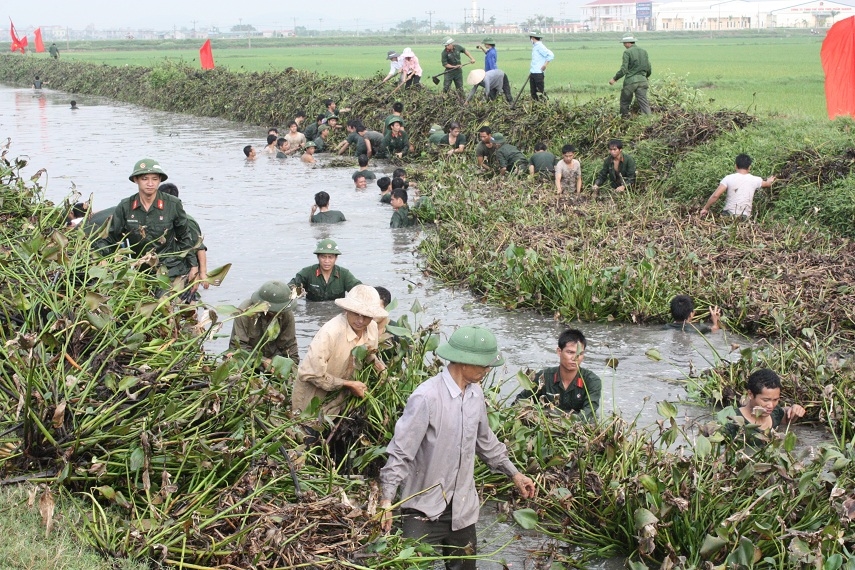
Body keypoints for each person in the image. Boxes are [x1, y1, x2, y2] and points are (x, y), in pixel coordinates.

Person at [378, 326, 537, 570]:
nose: (487, 370)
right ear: (463, 362)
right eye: (483, 365)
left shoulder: (475, 395)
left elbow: (486, 442)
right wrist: (387, 500)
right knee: (410, 566)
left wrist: (514, 474)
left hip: (462, 509)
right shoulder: (426, 397)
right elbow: (401, 452)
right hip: (422, 508)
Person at [93, 158, 197, 284]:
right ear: (136, 180)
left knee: (165, 296)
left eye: (155, 179)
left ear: (160, 180)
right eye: (145, 179)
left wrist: (194, 266)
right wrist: (101, 258)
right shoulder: (126, 206)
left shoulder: (173, 204)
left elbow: (185, 237)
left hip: (169, 268)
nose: (150, 183)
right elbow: (109, 237)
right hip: (137, 269)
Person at [292, 285, 387, 417]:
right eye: (356, 314)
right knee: (309, 427)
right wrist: (348, 384)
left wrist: (378, 366)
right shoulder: (330, 332)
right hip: (312, 403)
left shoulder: (372, 327)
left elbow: (368, 353)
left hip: (343, 400)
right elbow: (310, 374)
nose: (360, 321)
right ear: (347, 310)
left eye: (366, 316)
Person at [515, 329, 601, 419]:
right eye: (570, 352)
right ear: (559, 351)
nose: (575, 358)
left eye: (580, 353)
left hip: (578, 425)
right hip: (547, 422)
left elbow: (589, 413)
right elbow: (519, 402)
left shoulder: (592, 381)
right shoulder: (543, 377)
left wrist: (568, 424)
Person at [229, 280, 300, 366]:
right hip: (248, 359)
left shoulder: (287, 314)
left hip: (274, 359)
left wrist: (289, 366)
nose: (278, 313)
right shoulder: (245, 312)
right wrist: (264, 361)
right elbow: (238, 347)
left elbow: (290, 347)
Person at [724, 368, 805, 441]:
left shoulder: (775, 413)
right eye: (766, 400)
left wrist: (794, 409)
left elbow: (785, 415)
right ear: (750, 394)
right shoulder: (731, 420)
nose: (771, 406)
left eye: (775, 400)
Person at [159, 182, 208, 295]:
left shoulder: (186, 221)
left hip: (183, 270)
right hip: (163, 269)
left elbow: (199, 248)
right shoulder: (158, 218)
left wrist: (202, 273)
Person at [700, 154, 776, 219]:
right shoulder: (756, 180)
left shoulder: (728, 178)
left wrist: (705, 208)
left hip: (727, 215)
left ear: (736, 166)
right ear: (749, 167)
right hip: (744, 217)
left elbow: (715, 196)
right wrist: (770, 180)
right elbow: (768, 184)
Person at [288, 238, 361, 302]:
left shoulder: (344, 274)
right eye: (323, 257)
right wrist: (297, 292)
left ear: (336, 258)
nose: (327, 261)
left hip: (337, 311)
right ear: (318, 257)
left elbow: (360, 289)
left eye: (330, 257)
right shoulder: (307, 273)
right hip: (312, 311)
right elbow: (289, 289)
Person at [609, 36, 652, 117]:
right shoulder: (644, 51)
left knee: (625, 102)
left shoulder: (627, 52)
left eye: (624, 43)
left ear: (628, 43)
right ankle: (649, 119)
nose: (624, 45)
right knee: (643, 101)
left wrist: (614, 79)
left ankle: (624, 119)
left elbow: (624, 69)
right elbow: (648, 67)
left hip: (630, 81)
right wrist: (645, 77)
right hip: (643, 81)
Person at [528, 30, 554, 100]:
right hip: (533, 72)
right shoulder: (535, 46)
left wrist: (545, 65)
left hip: (538, 73)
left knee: (540, 92)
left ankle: (545, 104)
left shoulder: (540, 46)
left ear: (532, 38)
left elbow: (551, 55)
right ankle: (535, 104)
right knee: (533, 93)